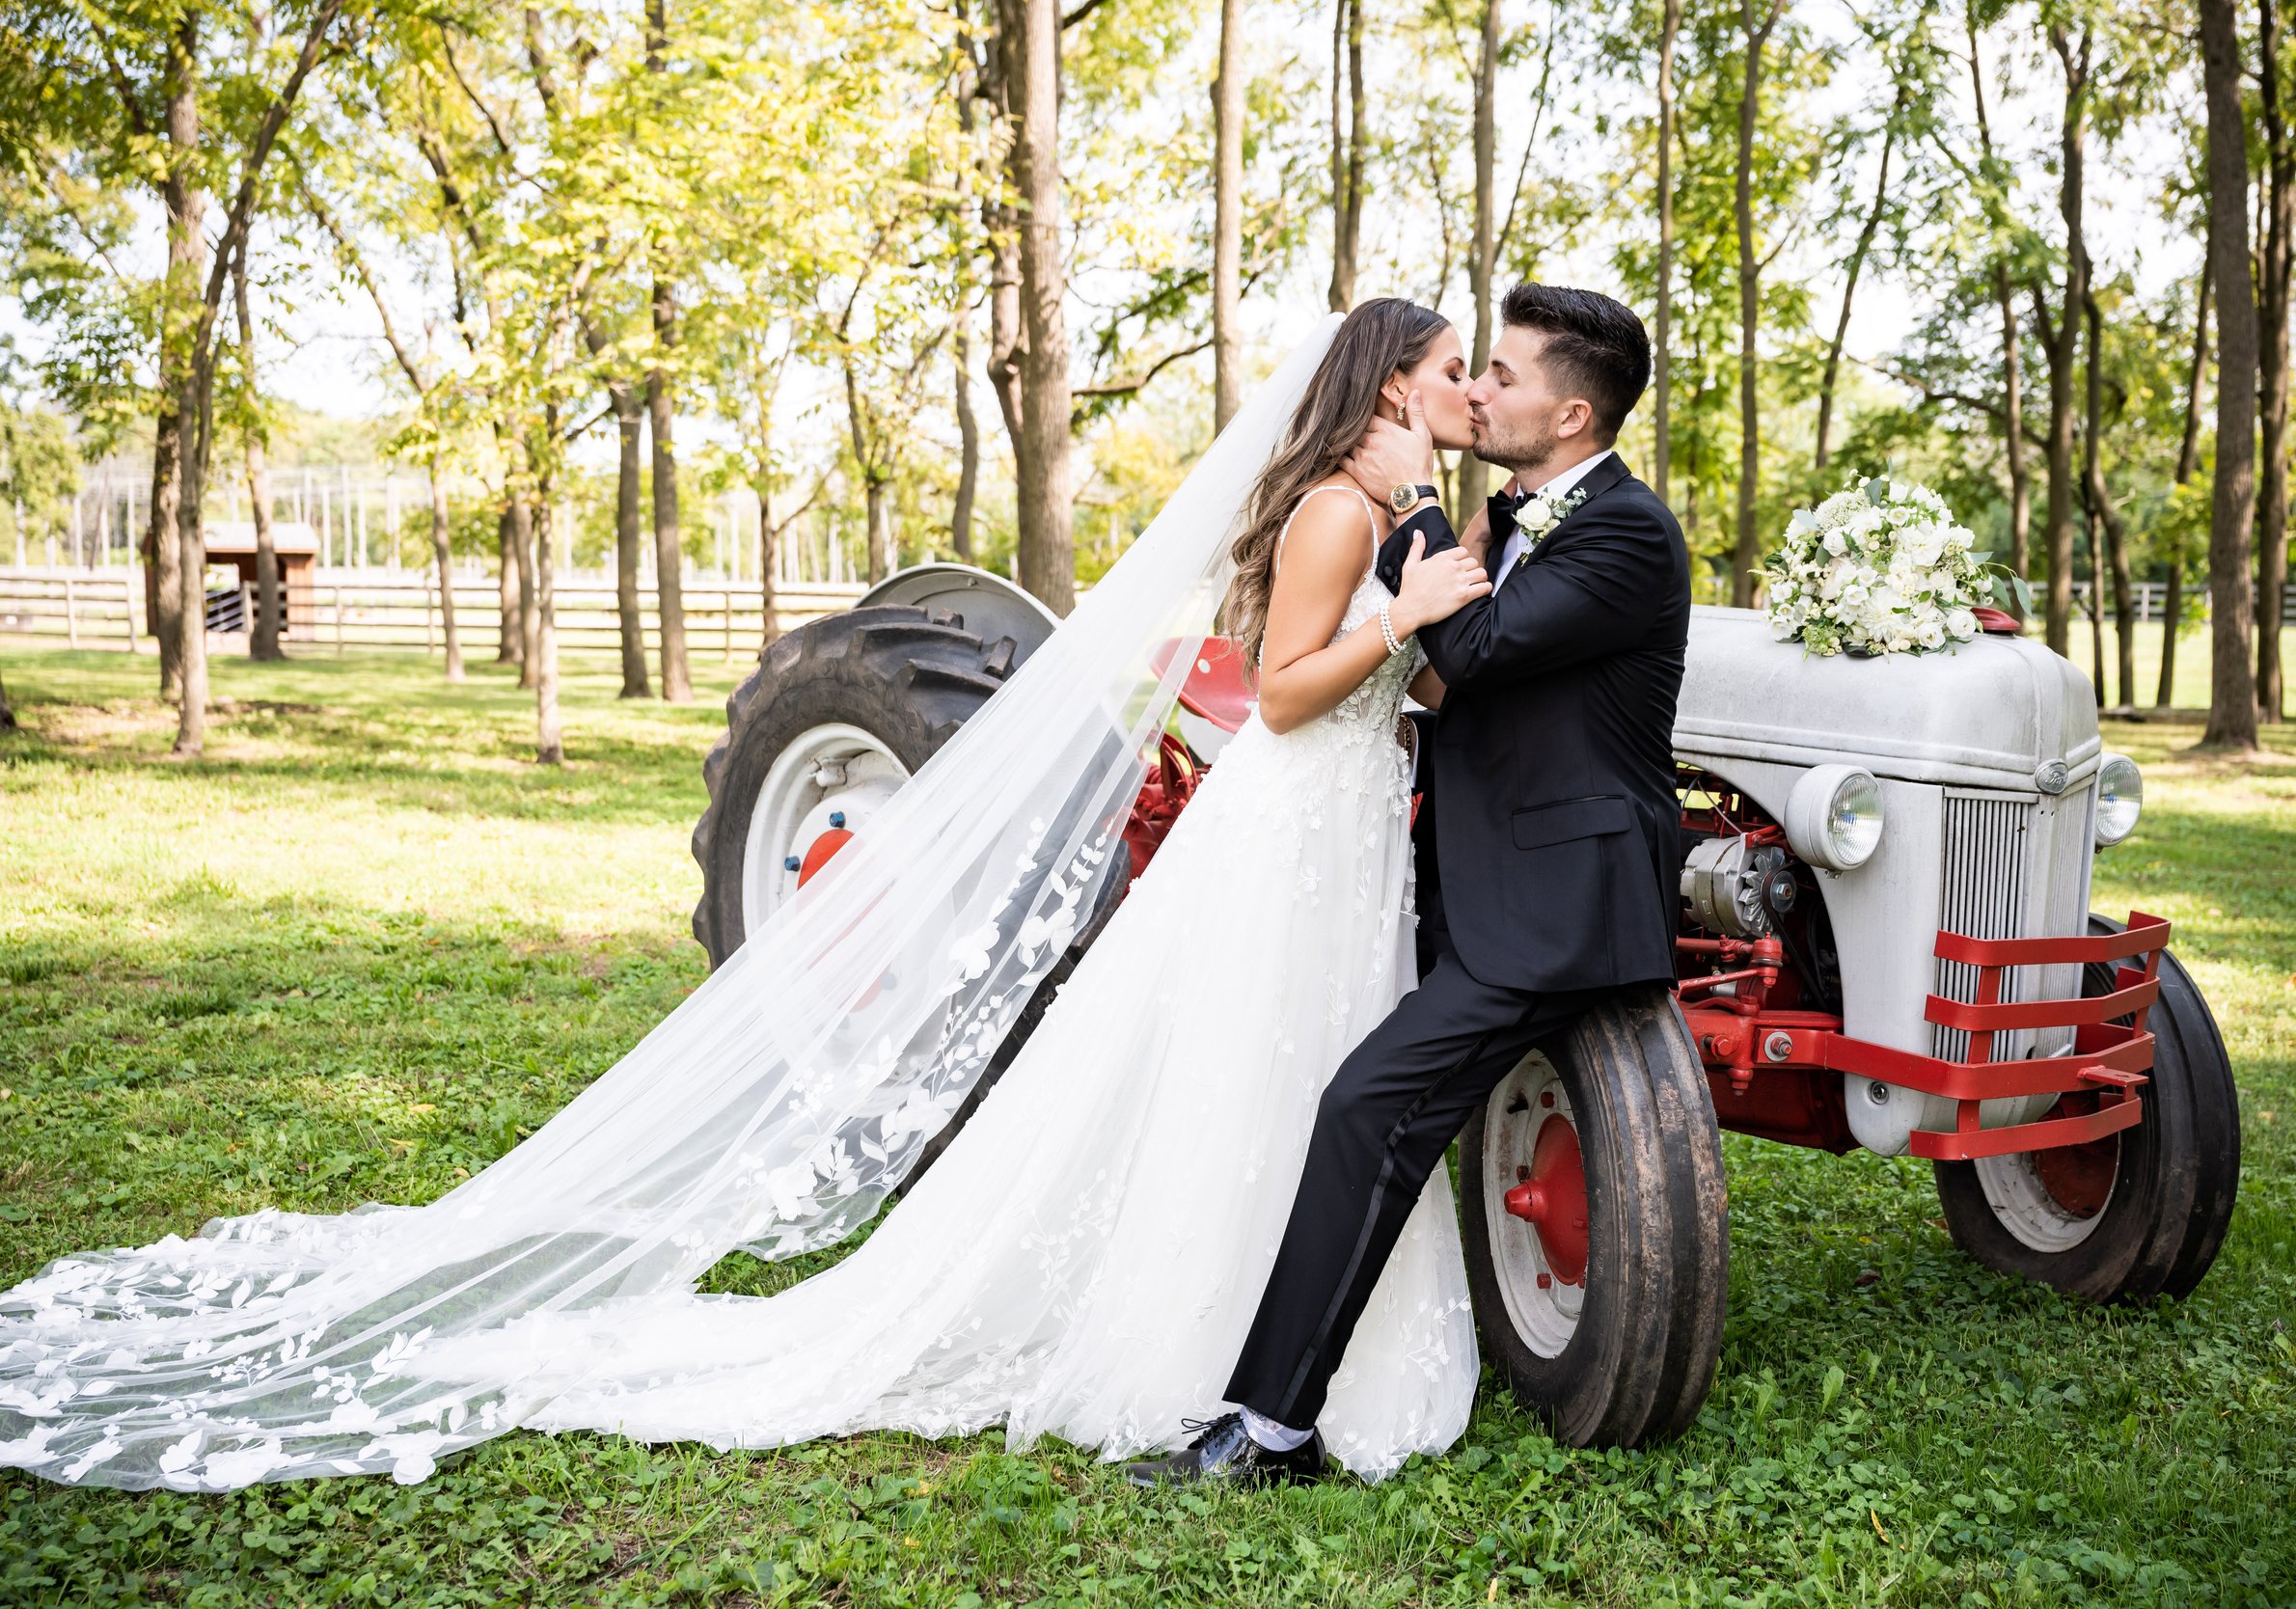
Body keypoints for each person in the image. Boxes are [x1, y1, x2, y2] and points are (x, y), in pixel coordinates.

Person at [0, 299, 1497, 1489]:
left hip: (1349, 832)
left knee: (1314, 1065)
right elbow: (1283, 696)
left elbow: (1397, 681)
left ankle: (1293, 1327)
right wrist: (1406, 623)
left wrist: (1450, 606)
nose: (1467, 390)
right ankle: (1213, 1336)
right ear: (1388, 386)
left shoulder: (1399, 512)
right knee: (1263, 1071)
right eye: (1448, 370)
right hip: (1293, 827)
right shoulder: (1332, 515)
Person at [1131, 284, 1692, 1487]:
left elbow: (1470, 651)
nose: (1479, 390)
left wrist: (1416, 507)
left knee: (1362, 1109)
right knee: (1337, 1097)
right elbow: (1447, 680)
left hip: (1554, 909)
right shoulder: (1511, 517)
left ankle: (1270, 1431)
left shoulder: (1626, 532)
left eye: (1503, 374)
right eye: (1467, 368)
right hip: (1465, 880)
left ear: (1572, 415)